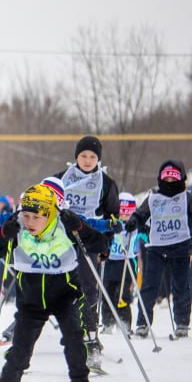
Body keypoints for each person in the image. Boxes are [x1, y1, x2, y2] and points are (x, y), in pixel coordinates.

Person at [0, 183, 107, 382]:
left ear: (50, 213)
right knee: (18, 356)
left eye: (37, 217)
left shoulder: (65, 224)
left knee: (75, 344)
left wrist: (80, 227)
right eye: (26, 216)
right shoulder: (17, 225)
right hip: (31, 302)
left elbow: (100, 245)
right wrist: (3, 233)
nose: (31, 222)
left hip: (65, 295)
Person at [52, 135, 121, 368]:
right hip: (61, 240)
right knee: (52, 287)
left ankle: (91, 338)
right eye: (83, 156)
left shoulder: (106, 183)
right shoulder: (61, 178)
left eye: (92, 156)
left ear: (98, 159)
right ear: (76, 157)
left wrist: (106, 245)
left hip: (89, 240)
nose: (88, 160)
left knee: (88, 289)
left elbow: (112, 216)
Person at [128, 160, 192, 338]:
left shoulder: (187, 198)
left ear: (181, 180)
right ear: (160, 180)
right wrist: (133, 222)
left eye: (174, 180)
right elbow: (140, 214)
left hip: (180, 247)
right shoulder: (153, 197)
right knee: (149, 287)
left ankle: (182, 323)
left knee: (181, 287)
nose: (170, 184)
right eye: (167, 180)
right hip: (156, 248)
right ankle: (142, 323)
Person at [101, 193, 141, 332]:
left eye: (128, 214)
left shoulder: (133, 226)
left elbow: (137, 231)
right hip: (110, 263)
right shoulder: (112, 223)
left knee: (122, 295)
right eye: (121, 213)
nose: (124, 217)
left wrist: (132, 226)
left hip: (126, 263)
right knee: (107, 294)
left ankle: (124, 324)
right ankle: (107, 323)